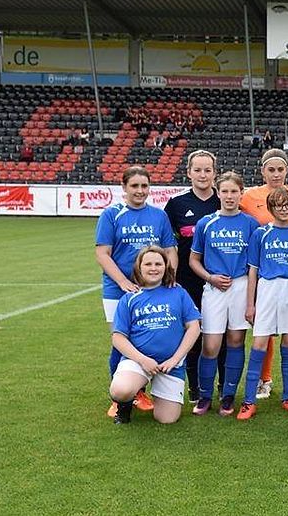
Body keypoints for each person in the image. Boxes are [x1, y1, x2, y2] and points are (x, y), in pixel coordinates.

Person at [96, 166, 178, 417]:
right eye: (134, 186)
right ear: (124, 187)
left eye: (144, 186)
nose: (140, 191)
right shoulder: (111, 215)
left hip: (152, 288)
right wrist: (122, 282)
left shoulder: (159, 216)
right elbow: (102, 253)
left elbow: (170, 250)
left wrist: (169, 277)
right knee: (121, 341)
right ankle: (119, 397)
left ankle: (141, 391)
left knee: (149, 337)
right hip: (118, 289)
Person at [240, 149, 288, 400]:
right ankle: (263, 380)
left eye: (280, 169)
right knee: (264, 335)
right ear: (262, 171)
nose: (276, 174)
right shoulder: (248, 198)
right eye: (271, 169)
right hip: (267, 276)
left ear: (287, 170)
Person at [187, 172, 259, 416]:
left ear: (241, 193)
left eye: (234, 191)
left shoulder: (250, 224)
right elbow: (194, 260)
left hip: (241, 286)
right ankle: (204, 396)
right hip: (214, 289)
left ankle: (228, 396)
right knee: (211, 345)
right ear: (218, 193)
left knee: (236, 341)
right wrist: (210, 278)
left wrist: (251, 299)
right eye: (225, 191)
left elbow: (254, 265)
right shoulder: (206, 223)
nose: (229, 196)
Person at [108, 247, 201, 425]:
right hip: (139, 361)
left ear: (166, 267)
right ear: (139, 267)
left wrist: (175, 359)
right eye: (148, 264)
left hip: (169, 365)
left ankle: (158, 390)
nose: (153, 268)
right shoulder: (129, 298)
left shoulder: (178, 292)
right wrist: (143, 360)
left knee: (167, 419)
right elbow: (118, 338)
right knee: (121, 390)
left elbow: (194, 327)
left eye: (158, 264)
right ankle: (124, 406)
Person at [164, 150, 222, 403]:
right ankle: (195, 387)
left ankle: (223, 386)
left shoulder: (224, 199)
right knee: (193, 332)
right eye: (197, 170)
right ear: (188, 172)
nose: (202, 175)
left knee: (221, 335)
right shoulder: (176, 204)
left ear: (215, 173)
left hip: (221, 283)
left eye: (207, 170)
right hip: (188, 282)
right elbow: (167, 244)